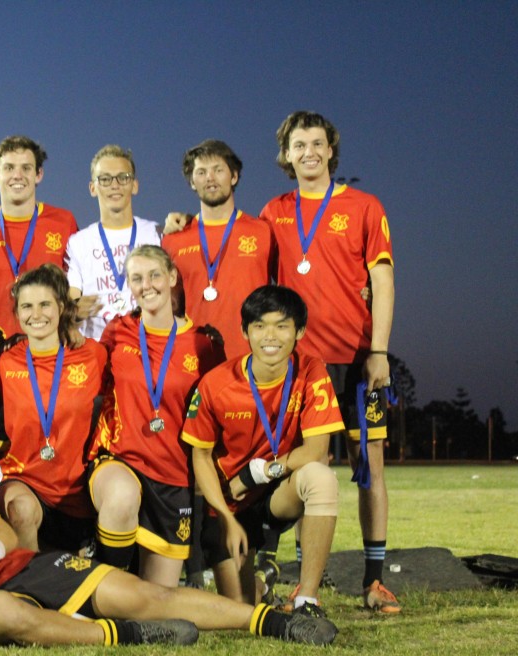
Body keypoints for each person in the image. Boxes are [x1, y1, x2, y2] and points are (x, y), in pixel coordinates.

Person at [0, 418, 337, 646]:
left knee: (144, 593)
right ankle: (128, 638)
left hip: (21, 569)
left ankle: (275, 623)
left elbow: (2, 529)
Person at [258, 111, 399, 613]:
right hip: (300, 367)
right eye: (299, 144)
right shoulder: (273, 211)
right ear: (287, 154)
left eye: (317, 143)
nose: (309, 152)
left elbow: (381, 282)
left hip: (357, 360)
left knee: (370, 467)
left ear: (331, 150)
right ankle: (299, 578)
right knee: (305, 469)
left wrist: (379, 351)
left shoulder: (364, 206)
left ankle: (374, 580)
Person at [181, 285, 342, 616]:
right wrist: (225, 517)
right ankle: (261, 583)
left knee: (321, 478)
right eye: (259, 326)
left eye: (282, 326)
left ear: (300, 330)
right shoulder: (216, 383)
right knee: (241, 610)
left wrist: (259, 473)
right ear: (244, 331)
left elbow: (316, 449)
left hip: (277, 491)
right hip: (231, 503)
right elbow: (200, 458)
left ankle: (306, 601)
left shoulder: (311, 371)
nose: (271, 336)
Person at [90, 246, 224, 587]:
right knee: (121, 497)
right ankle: (104, 585)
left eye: (154, 275)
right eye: (136, 278)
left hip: (174, 480)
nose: (146, 285)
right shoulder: (117, 332)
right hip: (121, 460)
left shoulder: (203, 344)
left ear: (172, 277)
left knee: (157, 601)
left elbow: (213, 419)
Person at [0, 264, 105, 552]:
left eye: (45, 304)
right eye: (27, 306)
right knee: (21, 509)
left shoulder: (93, 355)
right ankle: (27, 590)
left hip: (76, 494)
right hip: (23, 479)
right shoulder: (5, 362)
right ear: (17, 314)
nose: (36, 315)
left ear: (62, 307)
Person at [161, 139, 276, 357]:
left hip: (252, 358)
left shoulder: (264, 232)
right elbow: (171, 306)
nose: (210, 178)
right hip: (192, 358)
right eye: (201, 172)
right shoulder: (174, 239)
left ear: (233, 176)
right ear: (192, 182)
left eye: (218, 170)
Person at [0, 135, 79, 336]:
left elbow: (77, 287)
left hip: (49, 345)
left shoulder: (63, 221)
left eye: (26, 168)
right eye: (8, 168)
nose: (17, 175)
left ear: (39, 175)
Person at [66, 145, 161, 340]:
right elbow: (71, 298)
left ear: (134, 185)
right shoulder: (78, 242)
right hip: (96, 349)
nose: (114, 185)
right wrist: (75, 309)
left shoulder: (156, 234)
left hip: (146, 346)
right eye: (105, 179)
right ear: (93, 188)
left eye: (123, 177)